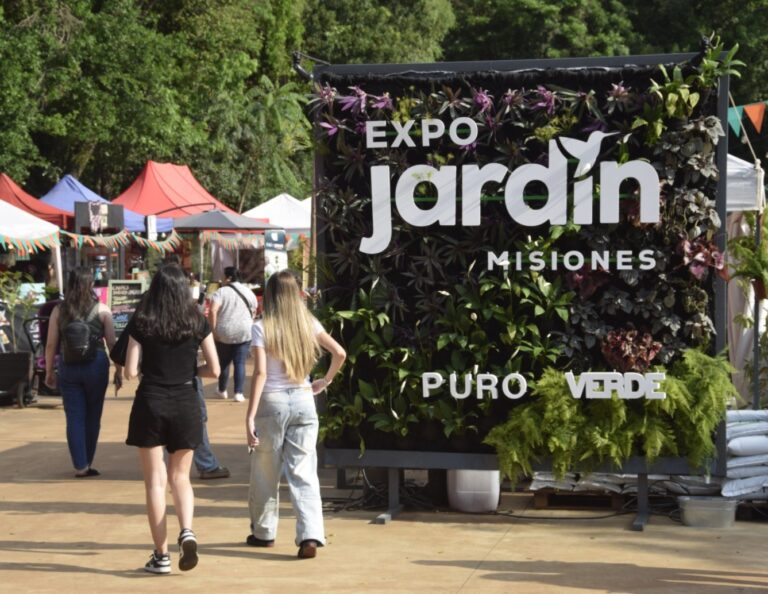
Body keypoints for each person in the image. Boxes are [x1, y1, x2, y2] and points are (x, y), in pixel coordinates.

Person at [124, 264, 220, 574]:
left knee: (155, 481)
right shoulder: (196, 321)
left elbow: (130, 371)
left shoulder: (142, 322)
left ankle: (161, 556)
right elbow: (215, 370)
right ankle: (187, 530)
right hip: (185, 400)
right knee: (181, 477)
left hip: (150, 401)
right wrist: (191, 371)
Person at [245, 270, 346, 559]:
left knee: (266, 470)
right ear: (297, 294)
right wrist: (324, 381)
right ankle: (311, 535)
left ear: (271, 296)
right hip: (304, 399)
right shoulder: (309, 323)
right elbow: (339, 353)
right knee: (304, 471)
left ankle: (264, 533)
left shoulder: (262, 327)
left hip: (272, 404)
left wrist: (249, 416)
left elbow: (261, 373)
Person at [44, 268, 116, 477]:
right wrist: (119, 369)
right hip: (96, 364)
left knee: (74, 416)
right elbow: (111, 343)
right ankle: (88, 460)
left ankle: (80, 465)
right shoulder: (102, 309)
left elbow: (50, 345)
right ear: (90, 285)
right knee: (93, 415)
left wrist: (49, 371)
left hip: (68, 366)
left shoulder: (59, 310)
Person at [209, 266, 257, 402]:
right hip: (244, 331)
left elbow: (213, 311)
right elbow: (254, 311)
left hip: (224, 332)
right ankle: (238, 393)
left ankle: (222, 390)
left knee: (224, 363)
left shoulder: (221, 292)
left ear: (228, 278)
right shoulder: (248, 292)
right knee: (240, 362)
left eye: (224, 276)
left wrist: (213, 330)